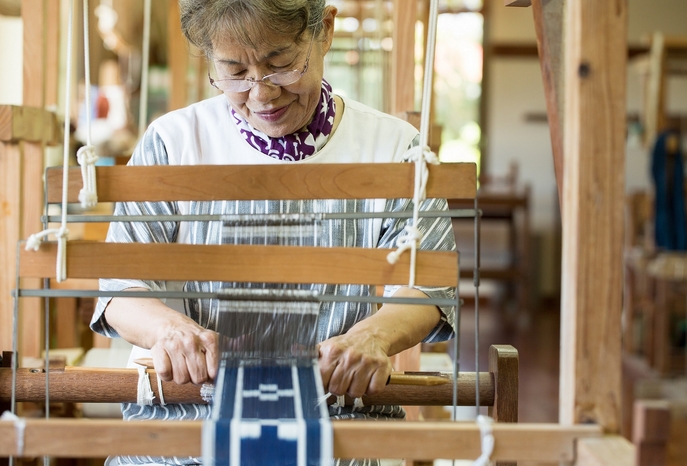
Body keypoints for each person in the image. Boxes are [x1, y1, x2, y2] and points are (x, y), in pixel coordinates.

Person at [90, 1, 456, 465]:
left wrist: (375, 336)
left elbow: (428, 284)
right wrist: (170, 329)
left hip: (332, 420)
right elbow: (119, 289)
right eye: (235, 71)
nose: (261, 94)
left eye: (280, 64)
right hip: (189, 421)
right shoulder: (174, 143)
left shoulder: (394, 148)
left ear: (324, 31)